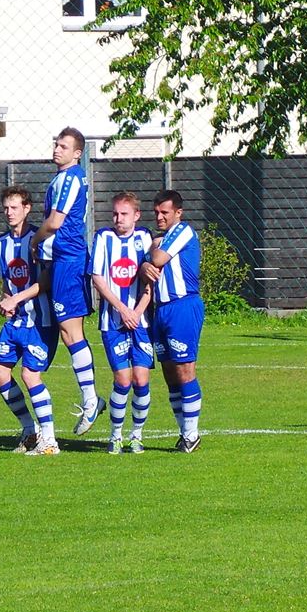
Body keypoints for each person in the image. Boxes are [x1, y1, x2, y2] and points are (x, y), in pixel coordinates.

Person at [30, 126, 100, 435]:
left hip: (69, 260)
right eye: (56, 144)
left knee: (72, 332)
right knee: (67, 331)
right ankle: (90, 398)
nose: (57, 149)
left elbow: (55, 222)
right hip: (63, 260)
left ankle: (91, 399)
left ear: (77, 153)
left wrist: (34, 241)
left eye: (64, 146)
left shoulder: (70, 178)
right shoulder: (64, 178)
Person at [0, 186, 61, 455]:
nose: (9, 212)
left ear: (27, 209)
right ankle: (30, 430)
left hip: (40, 322)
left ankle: (50, 441)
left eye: (15, 207)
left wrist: (16, 299)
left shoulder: (39, 240)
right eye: (6, 208)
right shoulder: (1, 244)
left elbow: (46, 281)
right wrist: (6, 301)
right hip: (16, 322)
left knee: (30, 375)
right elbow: (7, 283)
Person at [90, 192, 155, 455]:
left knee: (141, 379)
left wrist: (136, 312)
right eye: (115, 214)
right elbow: (97, 278)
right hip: (113, 322)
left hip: (141, 321)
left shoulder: (145, 238)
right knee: (123, 379)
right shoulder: (103, 238)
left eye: (124, 214)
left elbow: (151, 280)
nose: (118, 219)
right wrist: (122, 309)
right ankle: (115, 435)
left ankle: (137, 435)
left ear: (136, 215)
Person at [140, 190, 205, 453]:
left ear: (178, 212)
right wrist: (144, 263)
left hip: (183, 307)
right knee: (169, 373)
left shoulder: (183, 231)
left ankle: (192, 435)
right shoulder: (161, 238)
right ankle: (183, 433)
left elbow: (157, 259)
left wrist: (149, 255)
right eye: (156, 212)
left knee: (185, 369)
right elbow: (148, 264)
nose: (159, 217)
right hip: (161, 310)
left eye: (165, 212)